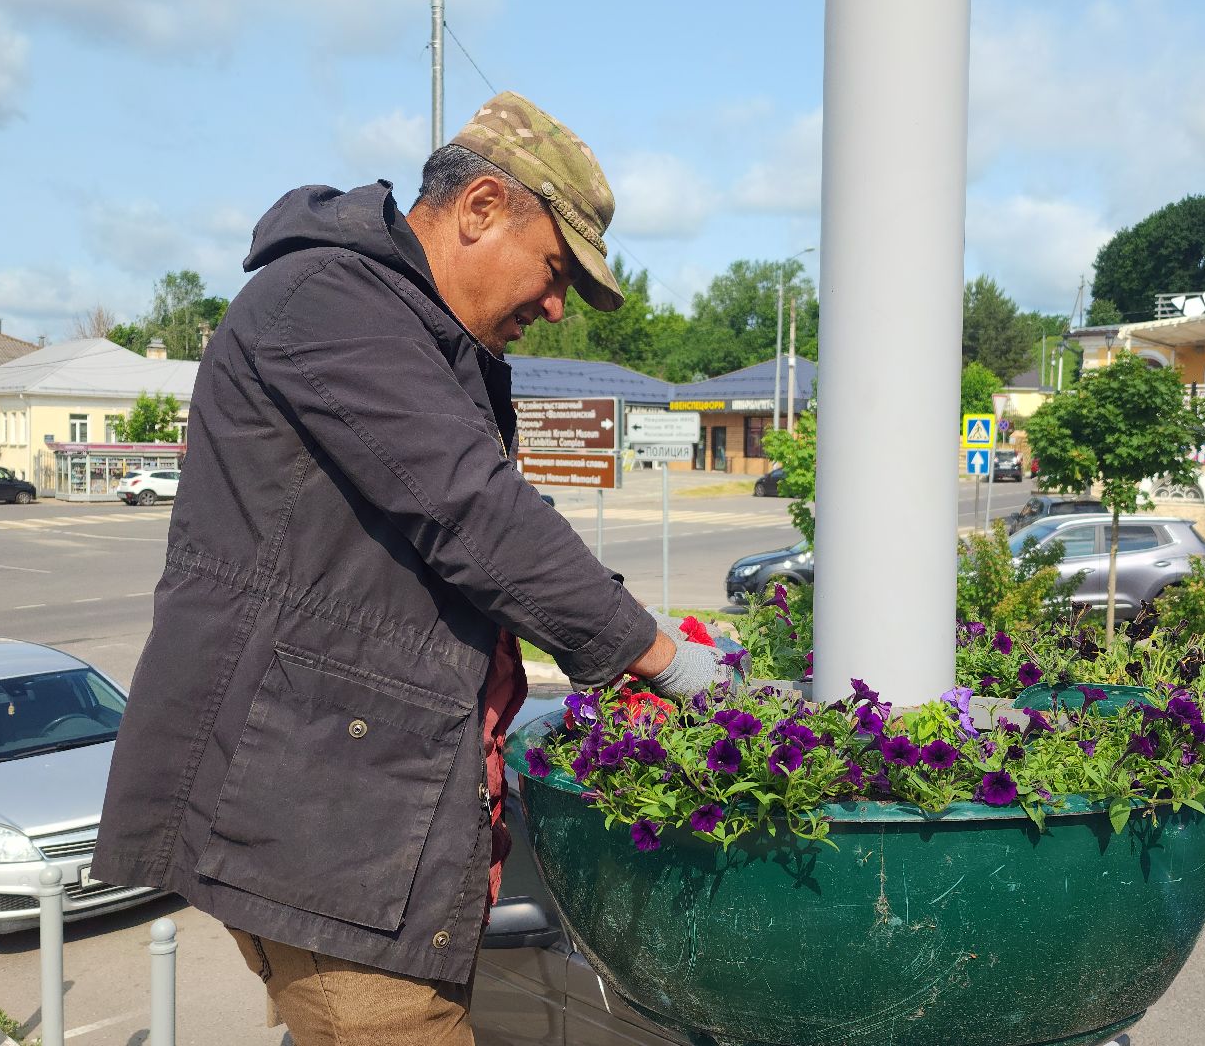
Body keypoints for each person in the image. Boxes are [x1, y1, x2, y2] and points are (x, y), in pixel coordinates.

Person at [92, 92, 729, 1044]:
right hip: (321, 826)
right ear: (477, 209)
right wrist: (660, 657)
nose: (555, 308)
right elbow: (471, 509)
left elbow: (480, 525)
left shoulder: (416, 336)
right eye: (554, 270)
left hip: (357, 815)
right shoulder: (327, 304)